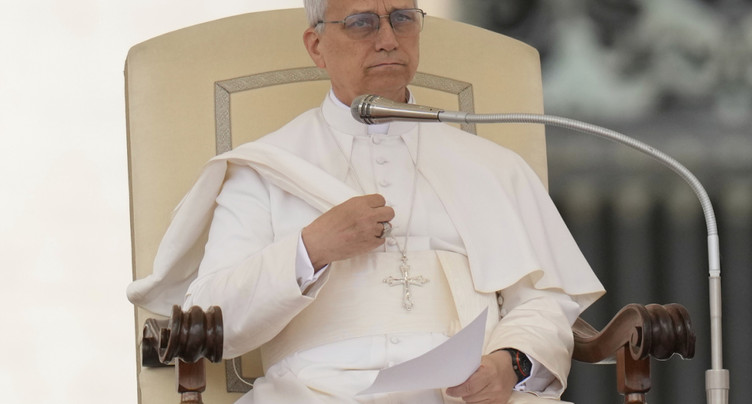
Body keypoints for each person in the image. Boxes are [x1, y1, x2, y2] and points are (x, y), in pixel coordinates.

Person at [127, 0, 605, 402]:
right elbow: (211, 319)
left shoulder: (491, 166)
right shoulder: (262, 170)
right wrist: (311, 248)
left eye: (402, 18)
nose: (388, 39)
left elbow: (545, 300)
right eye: (361, 23)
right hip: (313, 395)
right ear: (316, 46)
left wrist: (511, 364)